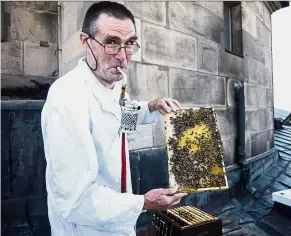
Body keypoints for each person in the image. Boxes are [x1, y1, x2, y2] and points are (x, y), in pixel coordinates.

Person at [41, 2, 186, 236]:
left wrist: (151, 105)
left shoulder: (116, 85)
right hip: (86, 228)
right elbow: (75, 201)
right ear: (85, 42)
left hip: (117, 217)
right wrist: (144, 203)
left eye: (129, 44)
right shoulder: (66, 97)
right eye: (111, 43)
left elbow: (123, 119)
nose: (122, 57)